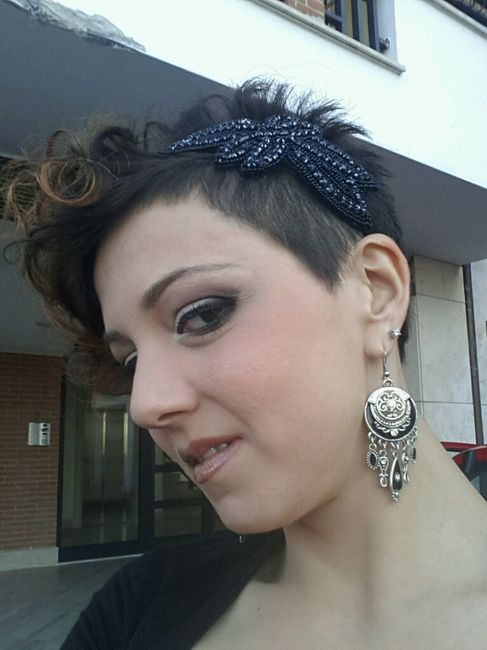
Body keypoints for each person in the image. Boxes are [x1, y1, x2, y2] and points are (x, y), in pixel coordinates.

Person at [4, 79, 487, 649]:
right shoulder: (138, 608)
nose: (146, 406)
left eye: (201, 315)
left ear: (376, 291)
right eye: (131, 361)